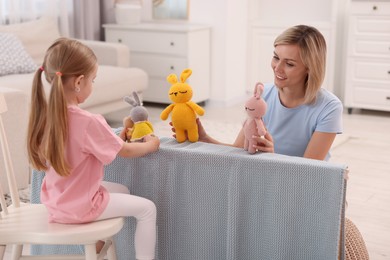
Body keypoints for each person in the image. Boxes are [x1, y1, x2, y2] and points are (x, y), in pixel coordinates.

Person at [27, 37, 160, 260]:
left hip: (56, 203)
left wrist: (119, 134)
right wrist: (150, 145)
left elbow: (86, 143)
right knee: (148, 209)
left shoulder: (45, 116)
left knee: (122, 190)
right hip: (80, 206)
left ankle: (97, 247)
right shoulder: (89, 121)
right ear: (79, 82)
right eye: (93, 80)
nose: (92, 85)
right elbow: (125, 152)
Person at [194, 25, 343, 161]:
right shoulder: (263, 94)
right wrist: (204, 139)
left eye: (289, 64)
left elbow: (310, 170)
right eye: (276, 57)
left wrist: (272, 157)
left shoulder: (329, 107)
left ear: (310, 68)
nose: (277, 68)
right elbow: (238, 150)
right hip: (269, 177)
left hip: (304, 185)